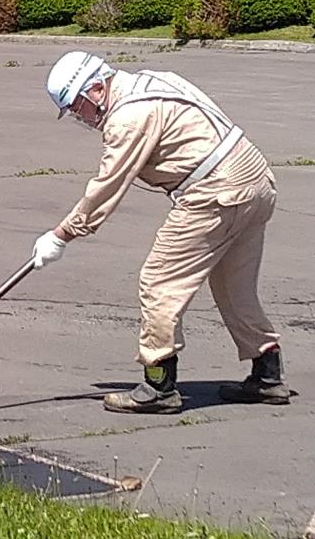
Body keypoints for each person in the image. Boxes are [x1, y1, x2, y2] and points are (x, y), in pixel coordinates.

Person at [33, 50, 290, 413]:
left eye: (77, 107)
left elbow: (106, 187)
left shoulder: (127, 118)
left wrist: (61, 235)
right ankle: (267, 372)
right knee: (233, 283)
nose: (80, 117)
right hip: (255, 180)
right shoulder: (153, 79)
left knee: (159, 282)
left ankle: (159, 386)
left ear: (94, 89)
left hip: (214, 193)